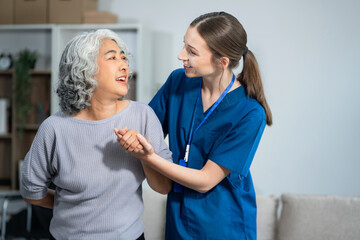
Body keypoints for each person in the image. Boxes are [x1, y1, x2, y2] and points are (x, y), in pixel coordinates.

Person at [116, 12, 272, 239]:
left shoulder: (249, 113)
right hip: (179, 220)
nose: (181, 56)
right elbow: (142, 128)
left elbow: (205, 181)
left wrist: (149, 157)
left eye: (192, 52)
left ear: (222, 62)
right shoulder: (178, 82)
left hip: (224, 225)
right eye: (184, 46)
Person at [20, 29, 172, 240]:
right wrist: (74, 207)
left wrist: (145, 156)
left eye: (123, 57)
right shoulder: (54, 128)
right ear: (85, 71)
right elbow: (32, 192)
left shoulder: (143, 116)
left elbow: (164, 187)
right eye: (112, 57)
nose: (124, 65)